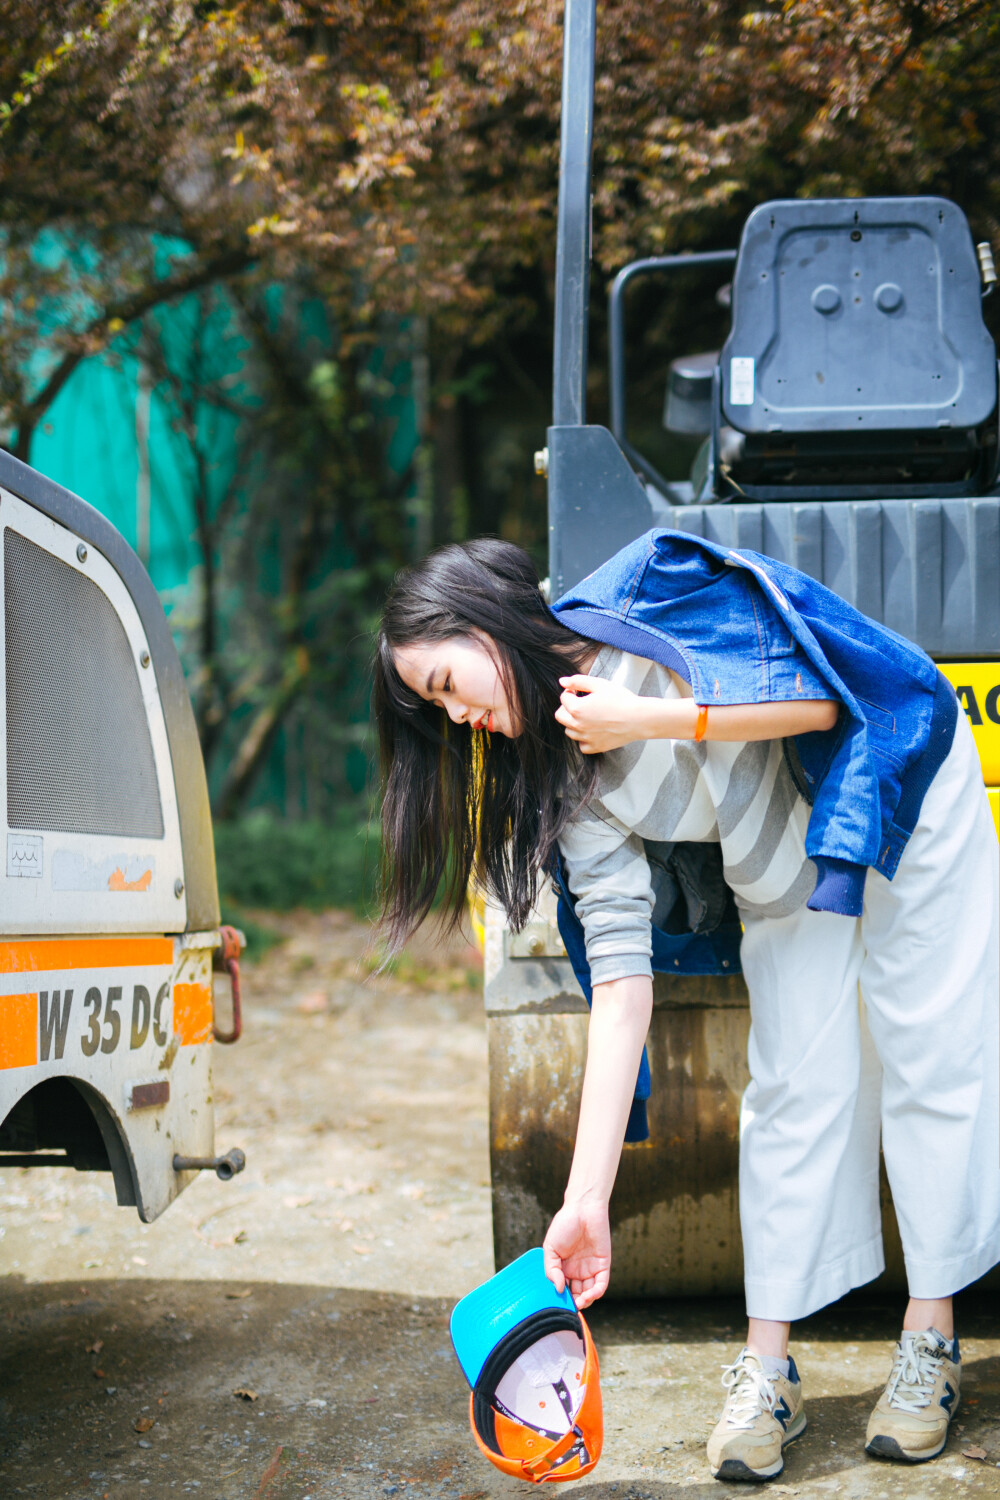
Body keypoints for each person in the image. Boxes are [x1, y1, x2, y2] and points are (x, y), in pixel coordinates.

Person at [373, 529, 1000, 1483]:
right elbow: (622, 991)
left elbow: (821, 697)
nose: (458, 717)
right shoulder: (568, 787)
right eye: (438, 708)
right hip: (788, 872)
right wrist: (586, 1203)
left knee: (929, 1050)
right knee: (792, 1083)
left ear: (486, 618)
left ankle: (930, 1343)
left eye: (449, 683)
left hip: (897, 773)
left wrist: (649, 719)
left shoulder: (649, 601)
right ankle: (767, 1365)